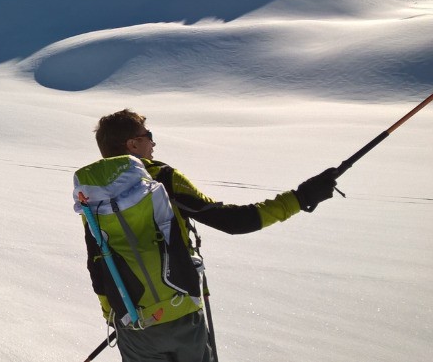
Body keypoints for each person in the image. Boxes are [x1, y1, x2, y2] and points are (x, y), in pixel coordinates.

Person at [78, 109, 338, 362]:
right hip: (182, 315)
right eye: (148, 135)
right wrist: (301, 198)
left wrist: (114, 314)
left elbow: (97, 261)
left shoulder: (91, 196)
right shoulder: (160, 178)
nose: (153, 142)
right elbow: (233, 221)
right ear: (133, 144)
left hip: (133, 322)